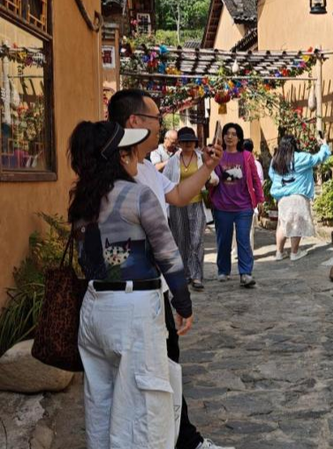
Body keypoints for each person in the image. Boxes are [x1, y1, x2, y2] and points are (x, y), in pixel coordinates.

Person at [108, 89, 233, 449]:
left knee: (168, 365)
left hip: (155, 288)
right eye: (156, 119)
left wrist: (207, 167)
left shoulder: (146, 167)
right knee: (151, 375)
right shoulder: (115, 171)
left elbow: (177, 195)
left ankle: (184, 439)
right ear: (135, 122)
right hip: (133, 291)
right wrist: (182, 298)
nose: (162, 126)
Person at [69, 121, 191, 448]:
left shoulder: (82, 200)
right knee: (143, 413)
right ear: (120, 157)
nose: (137, 155)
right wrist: (182, 302)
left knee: (100, 405)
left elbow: (86, 259)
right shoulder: (138, 195)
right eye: (131, 150)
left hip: (94, 309)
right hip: (132, 311)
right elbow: (167, 254)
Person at [208, 123, 263, 288]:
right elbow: (214, 176)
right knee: (223, 240)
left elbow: (255, 179)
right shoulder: (218, 156)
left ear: (239, 138)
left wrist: (260, 199)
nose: (229, 137)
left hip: (244, 206)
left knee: (243, 239)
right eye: (227, 133)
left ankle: (245, 273)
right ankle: (223, 270)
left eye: (233, 134)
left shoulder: (247, 156)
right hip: (222, 206)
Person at [269, 133, 330, 261]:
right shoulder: (301, 158)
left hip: (282, 198)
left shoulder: (275, 160)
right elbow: (318, 158)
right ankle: (294, 253)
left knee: (282, 224)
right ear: (294, 144)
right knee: (296, 225)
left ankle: (279, 253)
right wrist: (324, 145)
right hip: (298, 197)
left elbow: (272, 175)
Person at [164, 127, 212, 291]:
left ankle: (197, 275)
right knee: (181, 241)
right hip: (177, 205)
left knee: (197, 240)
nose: (188, 144)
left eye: (190, 141)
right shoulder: (172, 161)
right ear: (179, 143)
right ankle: (185, 274)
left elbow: (213, 177)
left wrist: (209, 180)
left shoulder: (201, 158)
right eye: (184, 141)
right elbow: (165, 182)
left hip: (197, 203)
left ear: (195, 142)